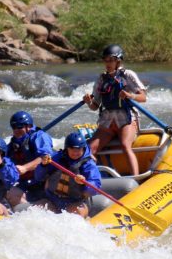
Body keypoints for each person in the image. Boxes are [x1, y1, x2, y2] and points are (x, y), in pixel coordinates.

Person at [83, 44, 147, 176]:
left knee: (125, 145)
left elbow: (143, 97)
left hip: (127, 119)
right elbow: (95, 106)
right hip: (107, 121)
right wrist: (89, 101)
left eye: (110, 60)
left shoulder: (128, 75)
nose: (107, 63)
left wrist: (130, 95)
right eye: (105, 60)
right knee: (88, 151)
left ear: (118, 60)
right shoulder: (101, 79)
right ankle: (94, 178)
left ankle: (135, 179)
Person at [33, 132, 101, 218]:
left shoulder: (88, 164)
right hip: (52, 200)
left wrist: (84, 183)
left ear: (83, 148)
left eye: (79, 149)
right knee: (36, 210)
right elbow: (38, 177)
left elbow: (96, 186)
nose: (75, 152)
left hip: (75, 202)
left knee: (77, 213)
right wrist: (43, 165)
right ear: (67, 148)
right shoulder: (56, 158)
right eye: (72, 149)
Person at [5, 110, 54, 208]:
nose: (16, 130)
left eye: (19, 127)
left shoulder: (39, 136)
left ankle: (44, 206)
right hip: (26, 183)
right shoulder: (13, 144)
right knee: (8, 193)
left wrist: (25, 168)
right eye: (14, 127)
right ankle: (28, 211)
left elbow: (46, 157)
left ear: (29, 126)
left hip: (44, 181)